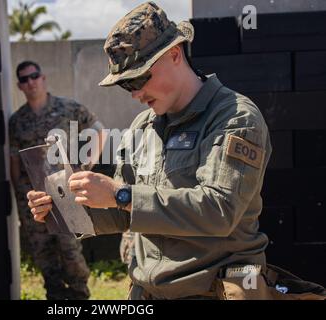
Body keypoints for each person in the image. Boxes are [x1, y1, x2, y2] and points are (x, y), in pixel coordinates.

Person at [27, 2, 323, 300]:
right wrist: (66, 210)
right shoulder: (142, 127)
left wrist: (122, 194)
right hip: (146, 293)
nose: (136, 94)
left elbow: (219, 211)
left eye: (139, 78)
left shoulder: (234, 118)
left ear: (174, 54)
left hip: (211, 290)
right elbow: (124, 215)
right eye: (125, 85)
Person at [9, 60, 104, 300]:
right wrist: (21, 198)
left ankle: (80, 297)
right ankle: (55, 299)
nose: (30, 82)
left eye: (34, 76)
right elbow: (14, 162)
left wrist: (88, 166)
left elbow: (99, 130)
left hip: (66, 196)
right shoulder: (17, 121)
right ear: (20, 86)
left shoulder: (67, 107)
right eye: (24, 79)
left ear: (42, 78)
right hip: (34, 199)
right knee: (44, 256)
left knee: (71, 252)